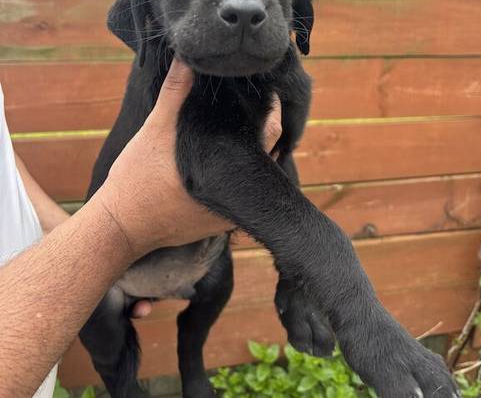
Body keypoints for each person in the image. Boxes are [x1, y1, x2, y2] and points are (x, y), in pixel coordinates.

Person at [0, 59, 282, 397]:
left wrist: (76, 244)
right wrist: (115, 234)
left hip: (46, 289)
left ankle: (190, 360)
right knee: (116, 367)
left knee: (215, 280)